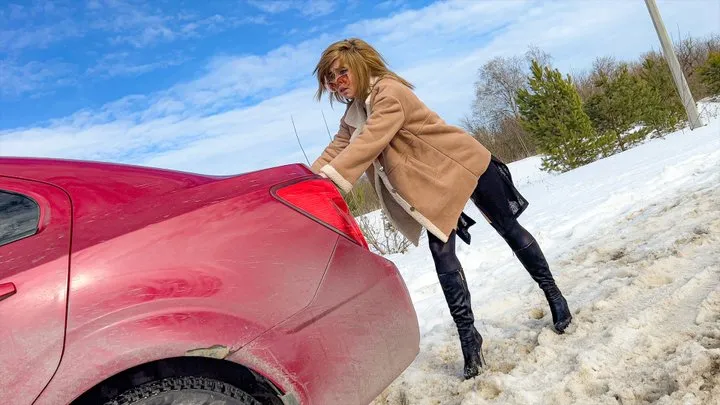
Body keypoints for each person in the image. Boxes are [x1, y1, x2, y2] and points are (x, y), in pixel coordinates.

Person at [309, 38, 572, 380]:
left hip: (464, 162)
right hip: (434, 185)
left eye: (342, 72)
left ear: (360, 66)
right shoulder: (353, 114)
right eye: (330, 78)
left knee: (508, 229)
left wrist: (332, 180)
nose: (336, 82)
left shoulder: (390, 92)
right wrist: (306, 183)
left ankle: (553, 294)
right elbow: (336, 149)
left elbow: (369, 141)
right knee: (442, 253)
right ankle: (469, 337)